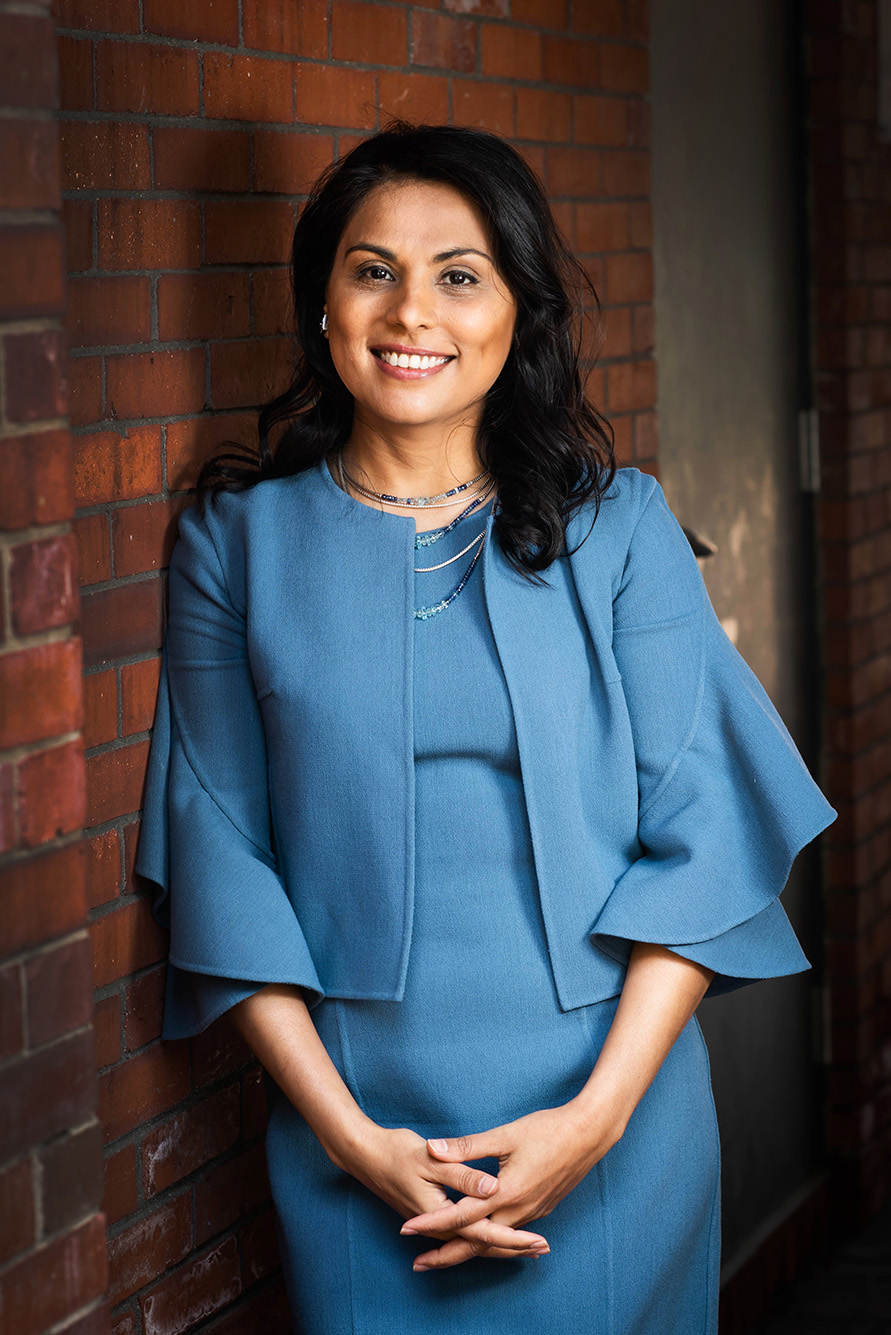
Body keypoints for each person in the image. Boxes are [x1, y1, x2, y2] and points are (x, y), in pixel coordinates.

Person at [136, 122, 836, 1334]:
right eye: (373, 270)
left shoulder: (620, 530)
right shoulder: (231, 550)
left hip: (612, 1115)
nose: (413, 312)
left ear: (518, 311)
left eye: (459, 274)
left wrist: (597, 1122)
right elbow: (218, 858)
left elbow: (704, 833)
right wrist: (352, 1141)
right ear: (323, 303)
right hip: (359, 1135)